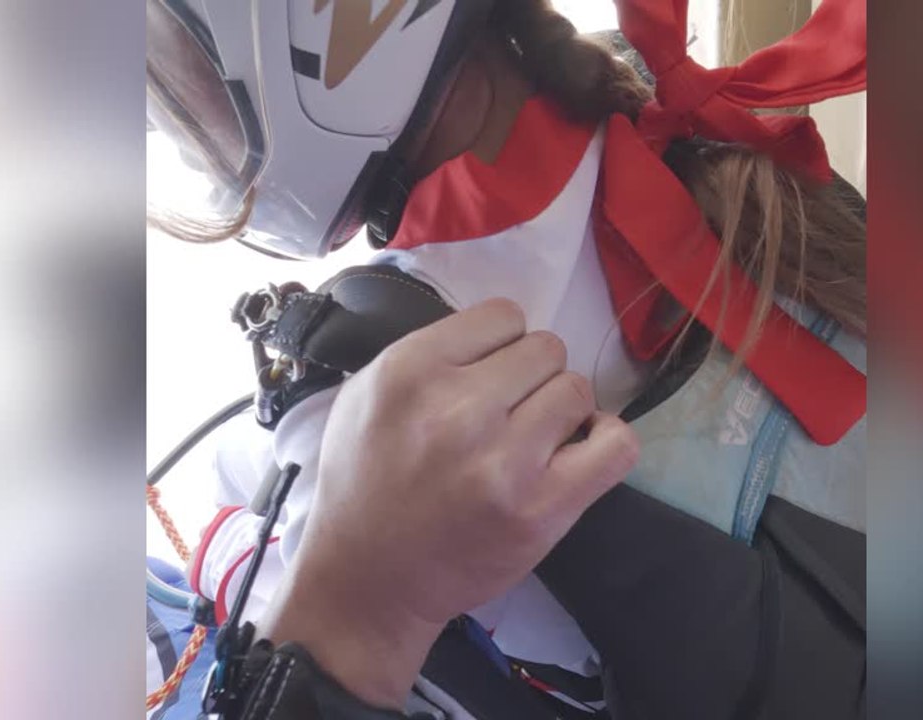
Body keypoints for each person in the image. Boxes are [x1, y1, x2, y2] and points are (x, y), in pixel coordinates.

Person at [147, 0, 867, 717]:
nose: (173, 134)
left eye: (177, 99)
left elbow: (272, 554)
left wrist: (346, 611)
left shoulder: (370, 376)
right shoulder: (689, 121)